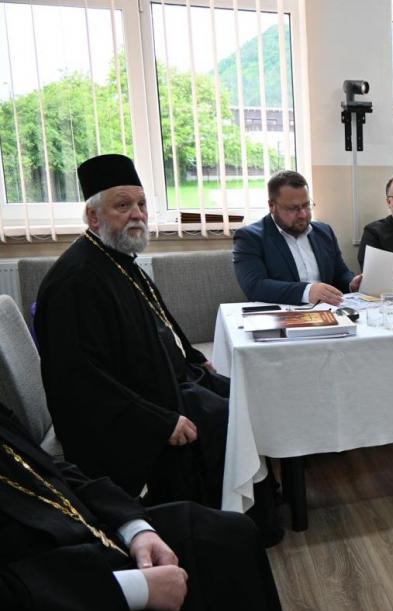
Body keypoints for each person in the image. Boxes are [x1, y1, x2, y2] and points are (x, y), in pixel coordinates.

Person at [34, 154, 280, 544]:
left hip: (167, 383)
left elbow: (162, 322)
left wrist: (196, 358)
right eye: (123, 205)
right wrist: (159, 423)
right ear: (93, 217)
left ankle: (256, 508)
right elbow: (79, 381)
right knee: (224, 417)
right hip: (134, 414)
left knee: (245, 395)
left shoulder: (119, 259)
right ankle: (232, 531)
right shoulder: (76, 281)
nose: (137, 214)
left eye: (142, 204)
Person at [0, 403, 284, 611]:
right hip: (52, 592)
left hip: (89, 534)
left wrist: (136, 528)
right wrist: (131, 588)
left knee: (229, 534)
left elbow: (52, 470)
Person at [233, 170, 361, 305]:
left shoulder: (324, 232)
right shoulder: (250, 238)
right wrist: (307, 292)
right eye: (292, 208)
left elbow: (340, 274)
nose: (303, 214)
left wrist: (351, 284)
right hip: (281, 314)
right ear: (272, 206)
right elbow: (255, 287)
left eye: (306, 205)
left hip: (328, 311)